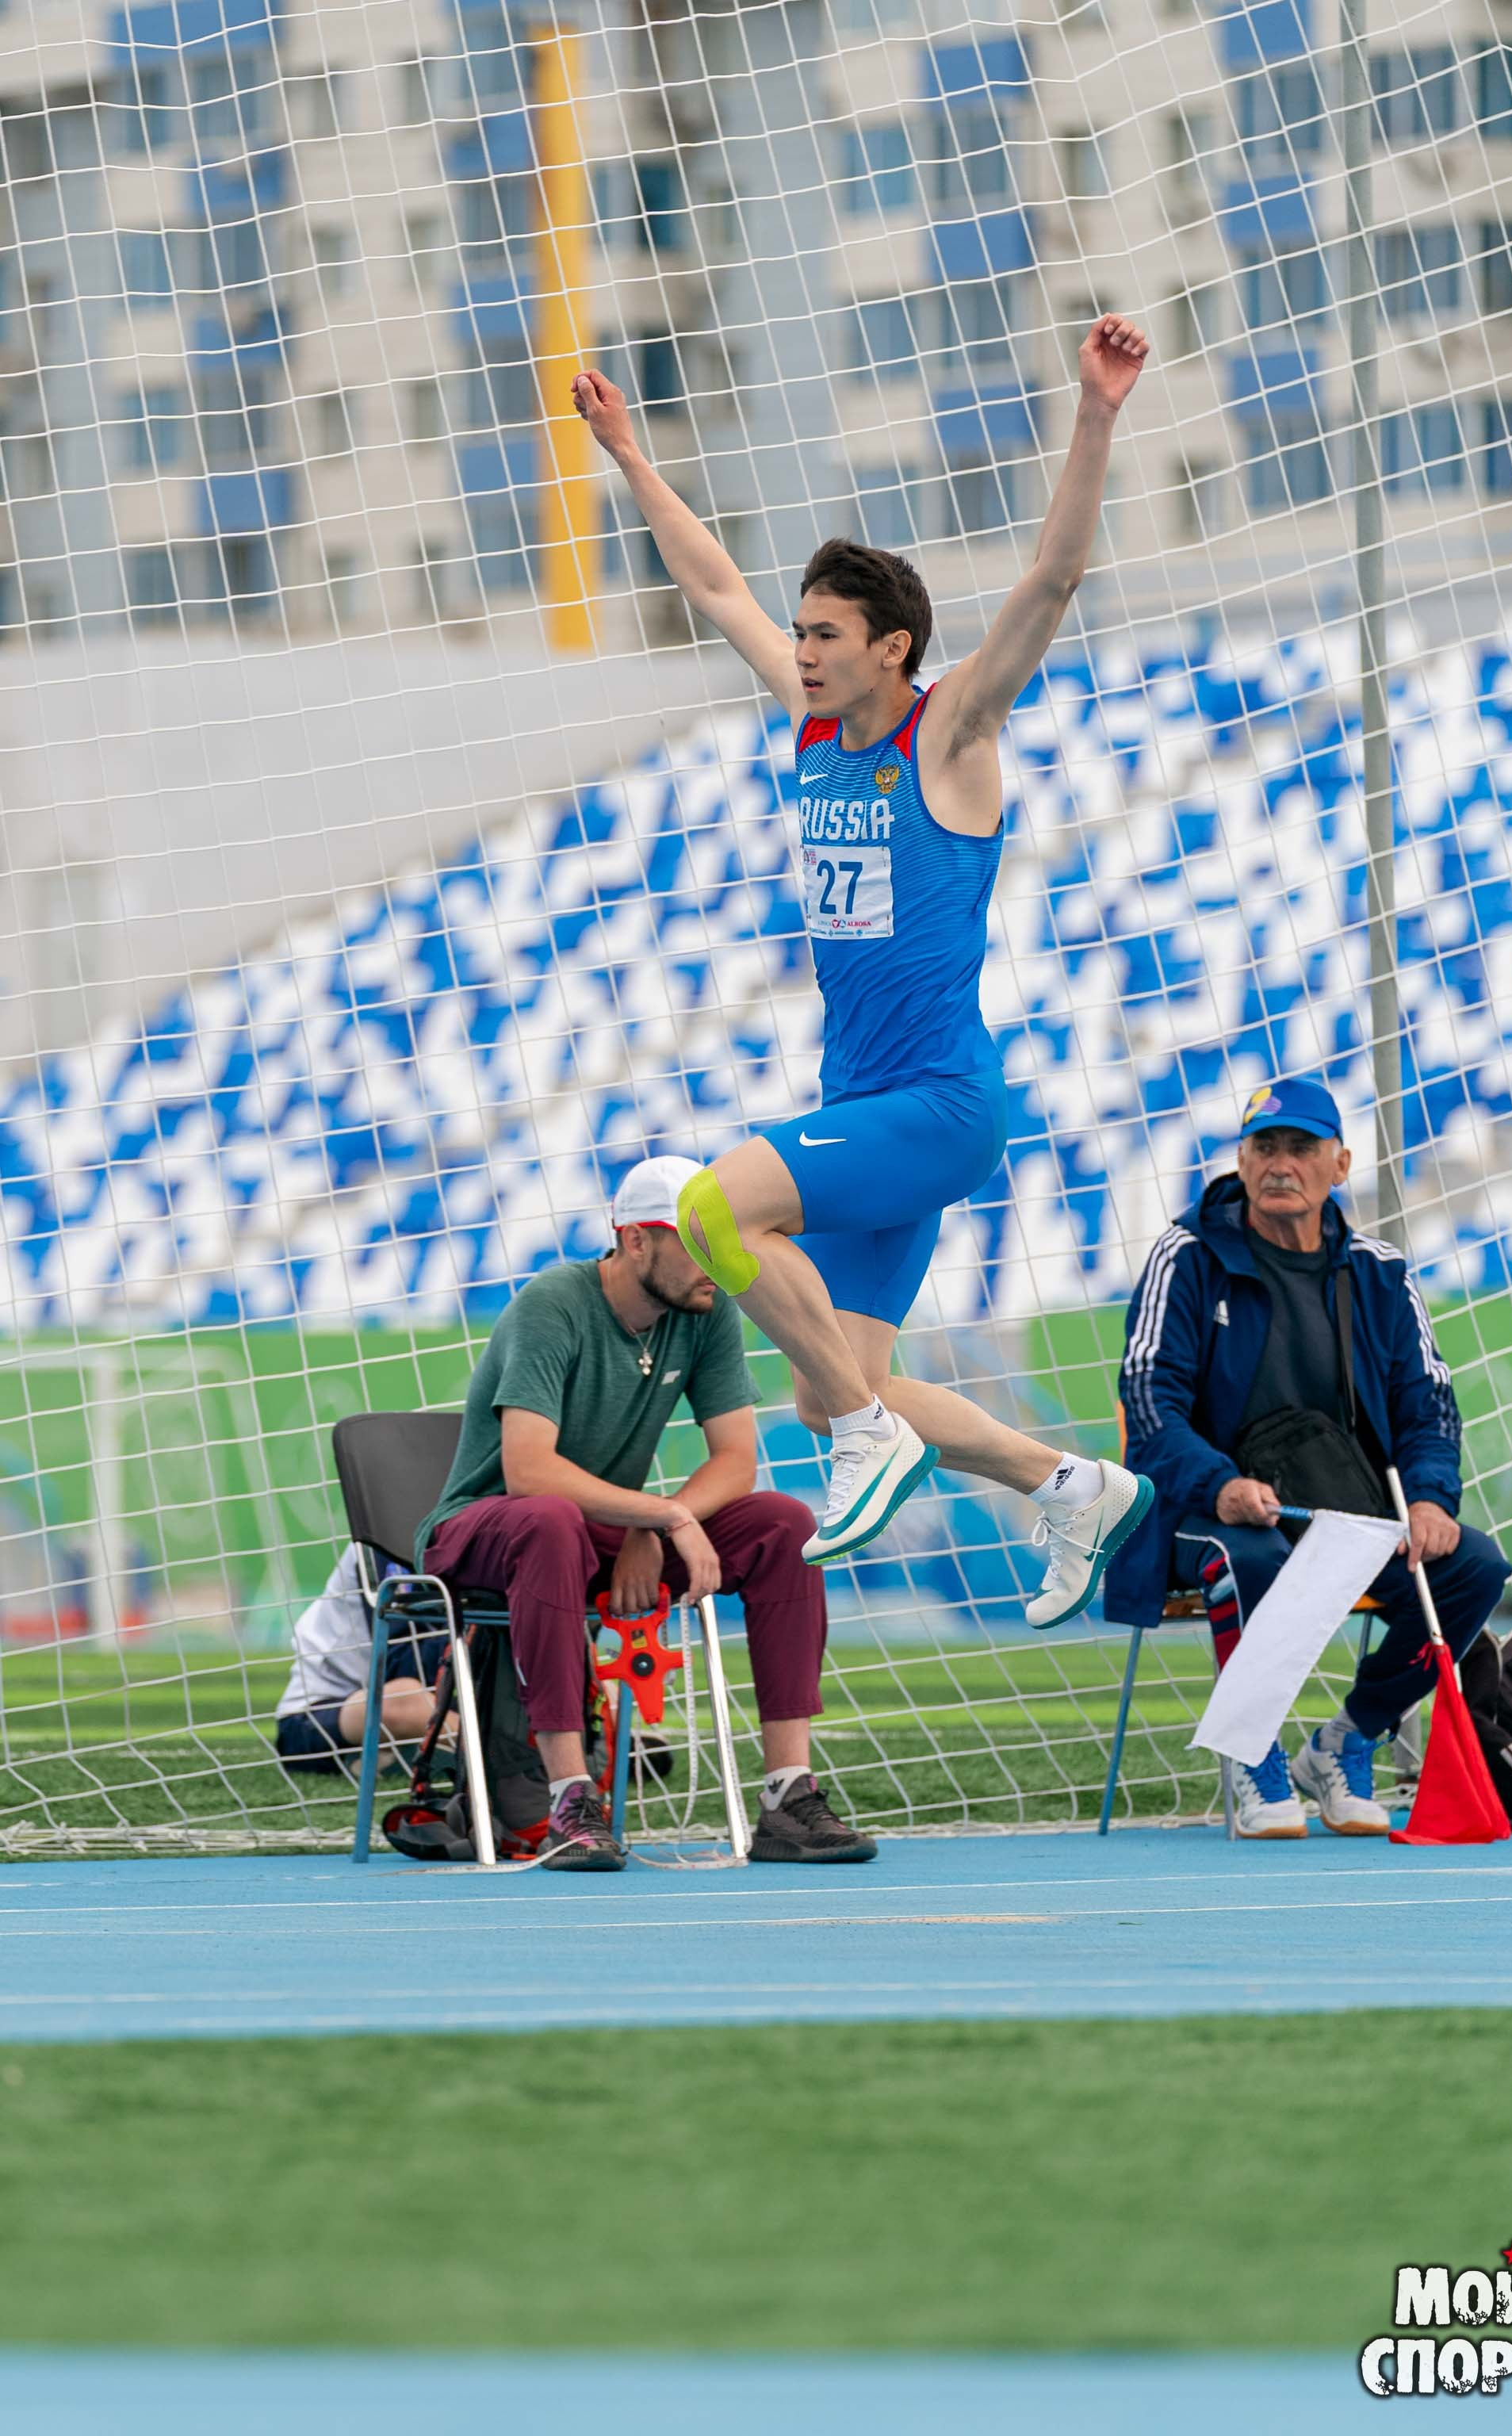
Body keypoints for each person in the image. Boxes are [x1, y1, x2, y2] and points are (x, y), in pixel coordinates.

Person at [570, 320, 1155, 1627]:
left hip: (936, 1104)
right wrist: (628, 455)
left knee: (711, 1211)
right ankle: (1068, 1485)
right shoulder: (812, 729)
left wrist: (1095, 412)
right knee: (836, 1385)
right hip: (866, 1106)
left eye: (827, 634)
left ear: (892, 647)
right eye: (800, 633)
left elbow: (1052, 581)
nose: (803, 650)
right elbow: (714, 584)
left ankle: (874, 1443)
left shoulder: (950, 737)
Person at [415, 1153, 875, 1871]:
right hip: (488, 1524)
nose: (718, 1263)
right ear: (635, 1240)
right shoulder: (553, 1302)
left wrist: (655, 1522)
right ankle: (569, 1802)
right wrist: (664, 1518)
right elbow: (528, 1472)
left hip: (597, 1528)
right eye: (699, 1244)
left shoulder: (707, 1309)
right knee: (549, 1521)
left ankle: (788, 1793)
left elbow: (736, 1461)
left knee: (783, 1525)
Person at [1107, 1077, 1512, 1838]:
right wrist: (1220, 1484)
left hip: (1343, 1509)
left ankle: (1347, 1741)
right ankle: (1253, 1751)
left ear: (1340, 1164)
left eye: (1301, 1147)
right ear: (1241, 1160)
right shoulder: (1186, 1256)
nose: (1281, 1164)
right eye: (1264, 1147)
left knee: (1474, 1568)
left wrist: (1430, 1498)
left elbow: (1428, 1405)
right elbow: (1149, 1401)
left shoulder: (1380, 1270)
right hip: (1204, 1513)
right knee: (1248, 1558)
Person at [273, 1545, 448, 1778]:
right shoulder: (383, 1541)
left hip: (434, 1701)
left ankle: (418, 1751)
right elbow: (401, 1665)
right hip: (321, 1715)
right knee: (402, 1699)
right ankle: (490, 1751)